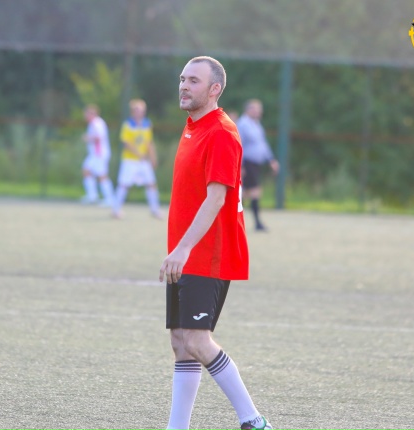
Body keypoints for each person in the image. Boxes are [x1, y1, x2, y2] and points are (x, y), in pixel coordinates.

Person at [159, 56, 273, 430]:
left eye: (193, 80)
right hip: (186, 253)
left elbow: (216, 198)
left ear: (214, 89)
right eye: (182, 78)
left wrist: (183, 248)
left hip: (207, 254)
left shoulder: (221, 132)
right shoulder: (193, 126)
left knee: (196, 339)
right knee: (181, 342)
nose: (184, 85)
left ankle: (253, 420)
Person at [111, 99, 161, 219]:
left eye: (142, 110)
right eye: (137, 110)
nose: (140, 112)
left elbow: (149, 142)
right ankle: (116, 210)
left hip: (144, 161)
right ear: (132, 111)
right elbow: (126, 143)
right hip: (130, 160)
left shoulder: (147, 124)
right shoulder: (127, 124)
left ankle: (155, 210)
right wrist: (139, 154)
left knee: (151, 184)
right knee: (124, 184)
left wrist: (153, 157)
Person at [237, 99, 279, 231]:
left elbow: (262, 144)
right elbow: (239, 144)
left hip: (256, 163)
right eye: (256, 109)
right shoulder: (243, 124)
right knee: (254, 191)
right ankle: (256, 223)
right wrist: (241, 165)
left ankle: (235, 221)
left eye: (259, 109)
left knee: (246, 193)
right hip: (248, 162)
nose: (259, 112)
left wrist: (271, 160)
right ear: (248, 109)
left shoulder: (256, 124)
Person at [81, 104, 114, 206]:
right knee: (86, 171)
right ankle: (92, 196)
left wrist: (88, 138)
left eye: (87, 113)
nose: (85, 115)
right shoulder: (93, 124)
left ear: (93, 114)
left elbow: (98, 137)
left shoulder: (97, 123)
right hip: (94, 154)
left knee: (102, 175)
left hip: (99, 154)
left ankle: (110, 199)